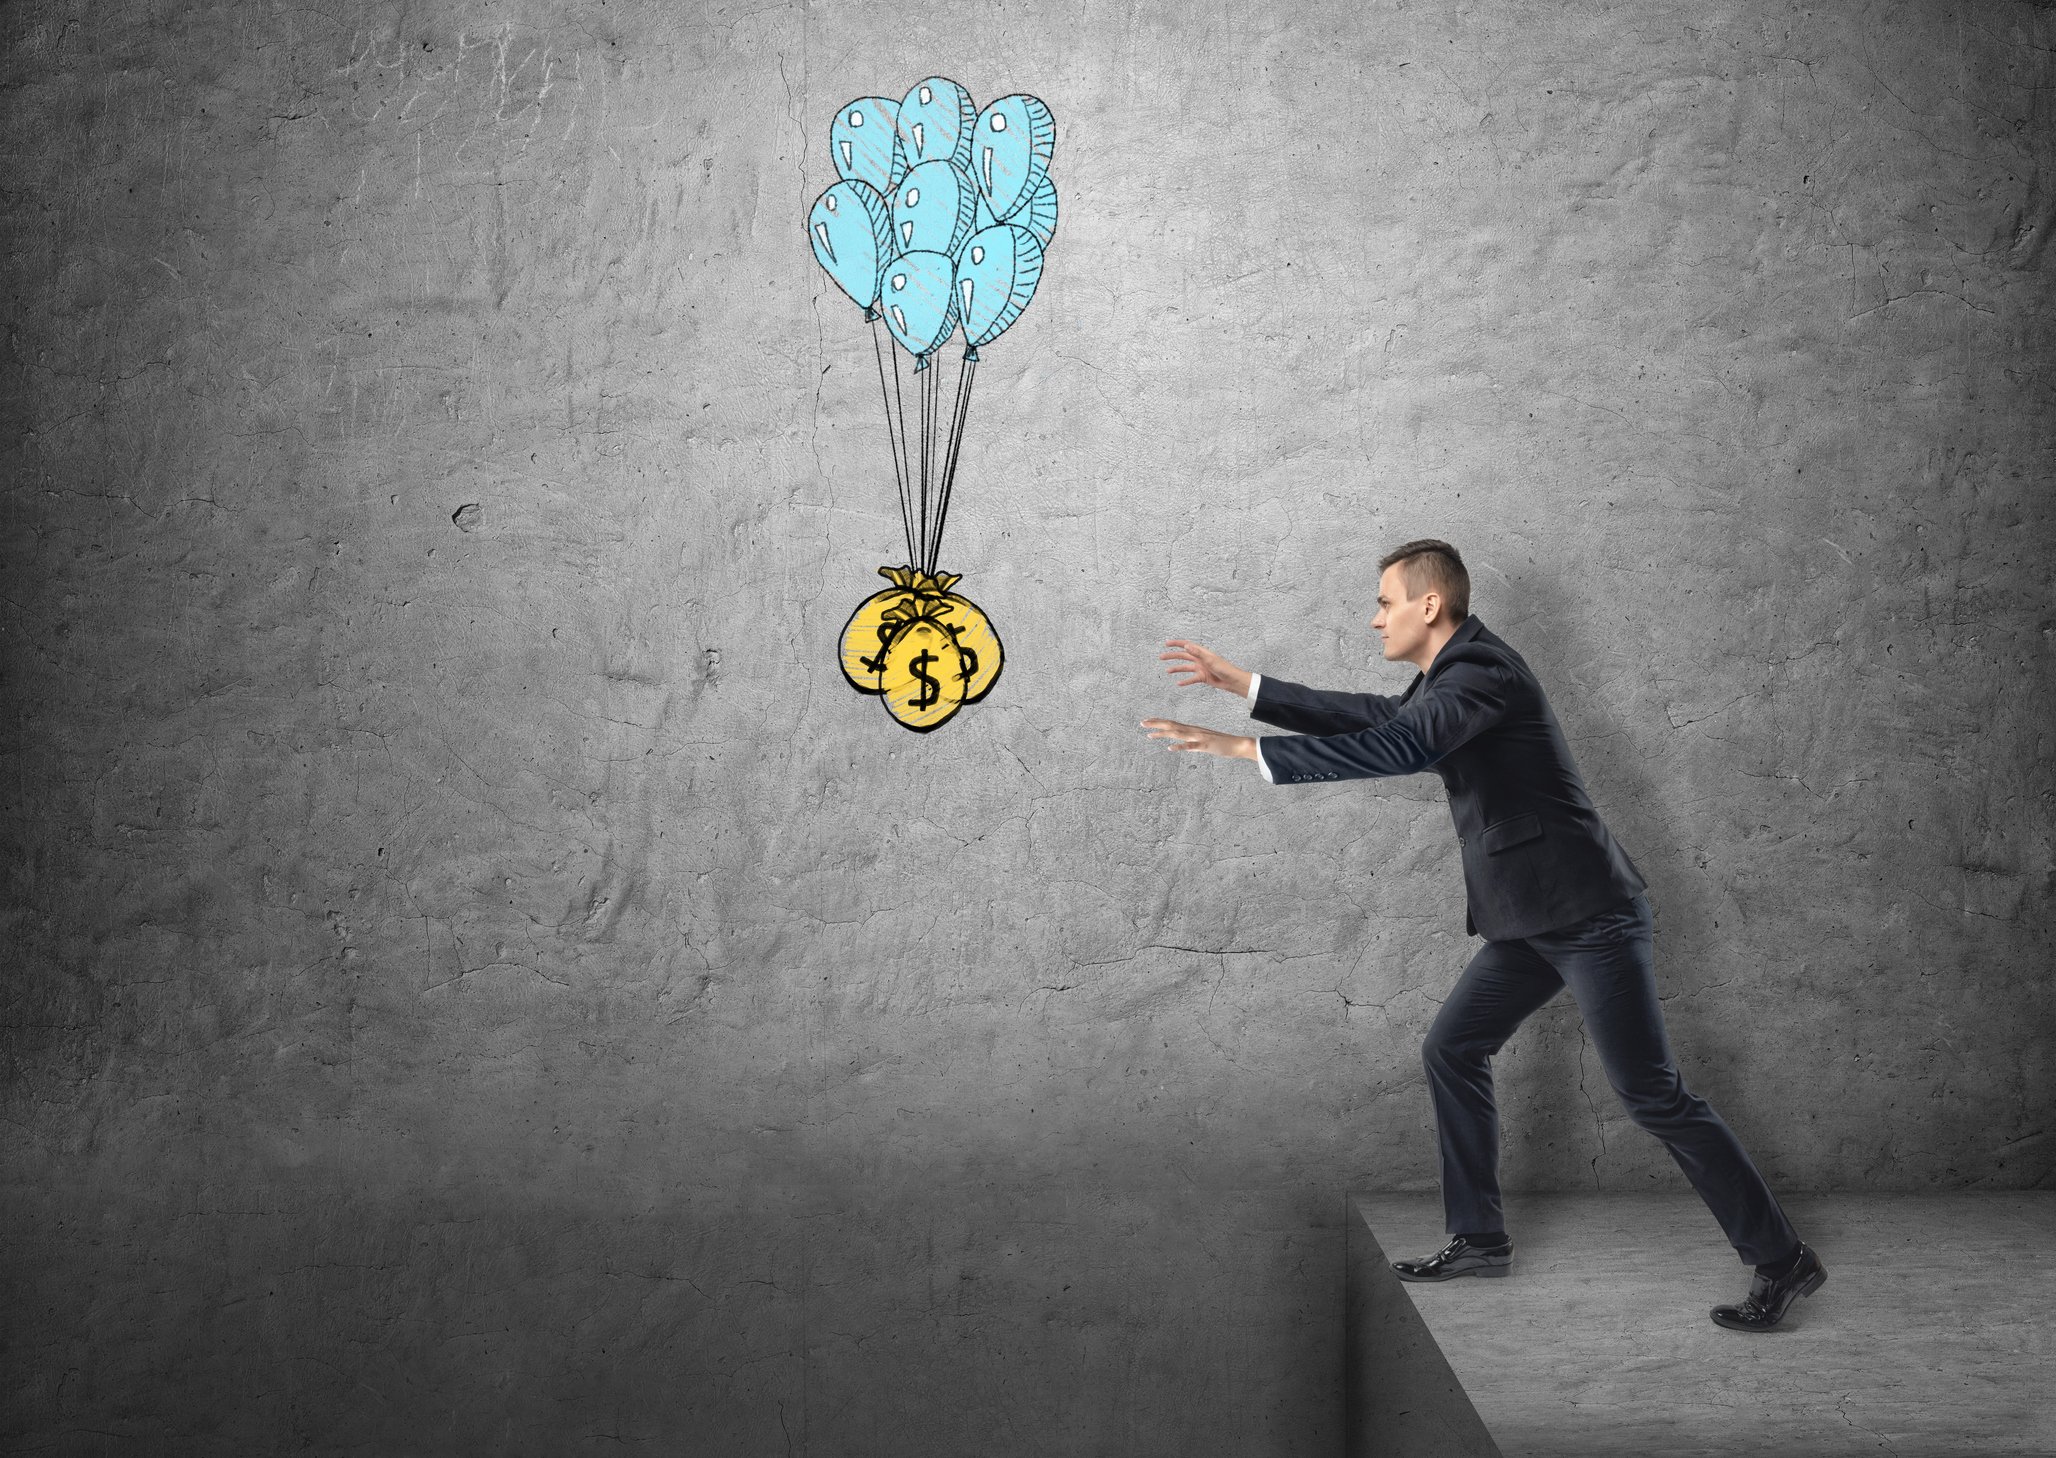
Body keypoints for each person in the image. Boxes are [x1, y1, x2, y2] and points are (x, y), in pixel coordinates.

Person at [1140, 538, 1825, 1331]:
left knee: (1652, 1094)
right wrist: (1248, 687)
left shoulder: (1484, 673)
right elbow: (1388, 716)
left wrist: (1245, 748)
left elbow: (1401, 743)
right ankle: (1478, 1239)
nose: (1375, 619)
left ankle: (1782, 1259)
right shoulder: (1455, 676)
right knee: (1453, 1049)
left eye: (1384, 602)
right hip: (1531, 920)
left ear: (1428, 605)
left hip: (1590, 918)